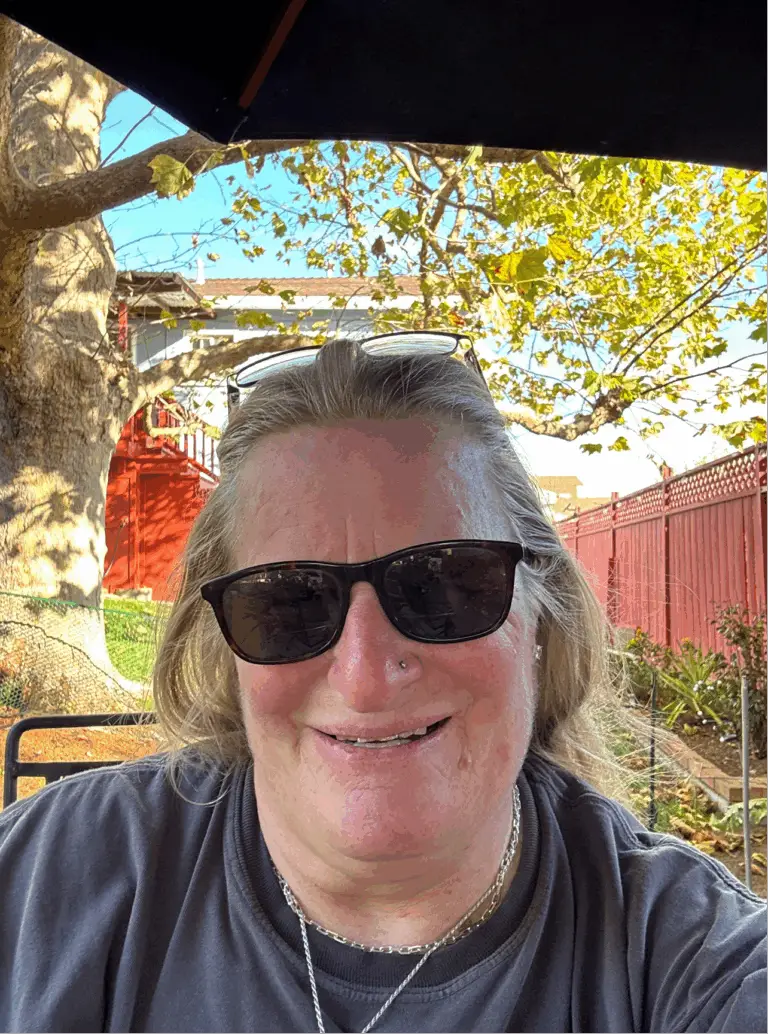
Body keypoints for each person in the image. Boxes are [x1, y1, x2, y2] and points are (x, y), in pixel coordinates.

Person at [0, 333, 765, 1034]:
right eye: (288, 601)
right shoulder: (45, 881)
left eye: (446, 584)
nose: (365, 676)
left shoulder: (690, 962)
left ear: (540, 619)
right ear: (224, 645)